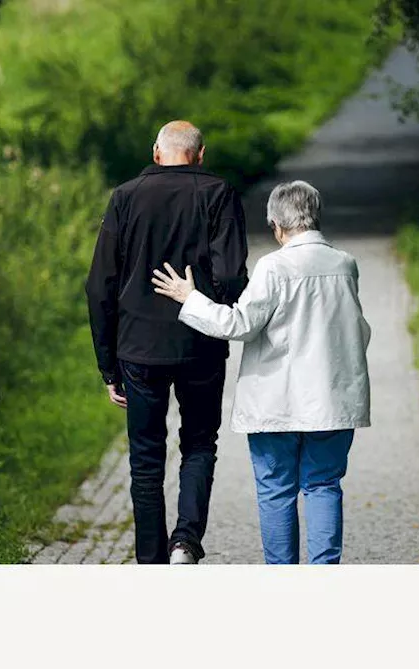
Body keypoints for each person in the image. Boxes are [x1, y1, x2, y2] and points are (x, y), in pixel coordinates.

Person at [150, 180, 371, 564]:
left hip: (277, 402)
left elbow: (239, 324)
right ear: (314, 216)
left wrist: (191, 298)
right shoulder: (344, 264)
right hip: (332, 400)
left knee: (276, 490)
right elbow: (358, 330)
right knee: (324, 486)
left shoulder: (273, 267)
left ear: (277, 225)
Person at [85, 120, 249, 564]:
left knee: (145, 458)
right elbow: (232, 275)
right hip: (201, 343)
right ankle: (186, 542)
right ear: (201, 154)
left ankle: (151, 560)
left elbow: (100, 285)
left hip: (137, 348)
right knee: (198, 444)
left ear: (156, 153)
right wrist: (220, 306)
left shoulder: (124, 197)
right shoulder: (220, 194)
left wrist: (107, 366)